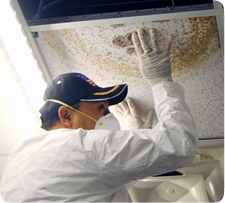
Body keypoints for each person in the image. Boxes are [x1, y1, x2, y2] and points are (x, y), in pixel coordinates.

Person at [0, 28, 198, 202]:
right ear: (66, 115)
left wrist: (131, 133)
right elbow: (180, 144)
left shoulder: (17, 161)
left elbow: (94, 184)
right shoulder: (80, 146)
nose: (103, 119)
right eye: (99, 109)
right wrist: (161, 82)